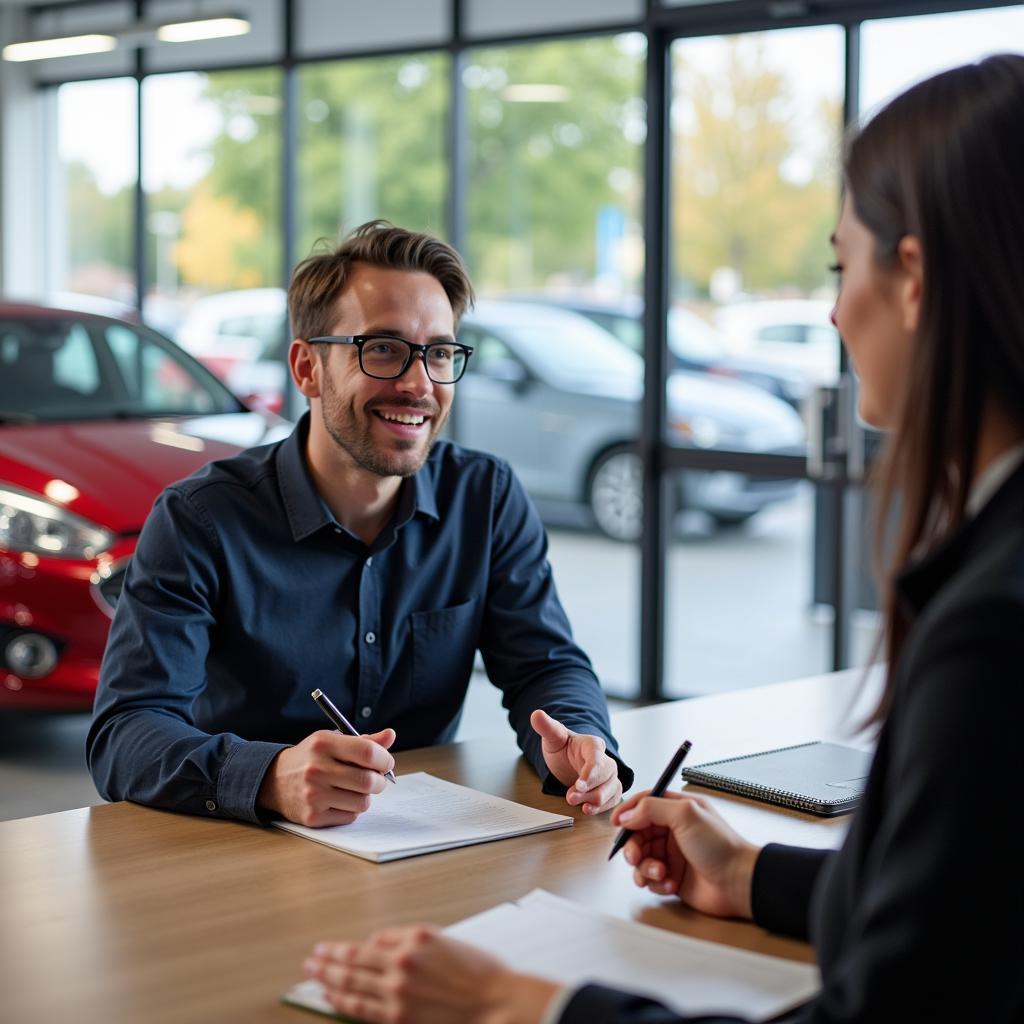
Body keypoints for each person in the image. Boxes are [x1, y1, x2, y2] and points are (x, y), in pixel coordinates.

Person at [301, 54, 1024, 1023]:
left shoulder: (991, 624)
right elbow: (967, 920)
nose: (830, 308)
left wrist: (521, 1006)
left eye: (837, 264)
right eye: (385, 349)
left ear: (913, 281)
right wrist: (752, 876)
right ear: (308, 370)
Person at [87, 222, 633, 826]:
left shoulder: (485, 497)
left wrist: (580, 742)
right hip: (243, 860)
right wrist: (268, 777)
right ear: (307, 369)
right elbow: (124, 736)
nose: (419, 383)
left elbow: (546, 666)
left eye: (441, 353)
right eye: (382, 349)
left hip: (423, 847)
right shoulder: (200, 519)